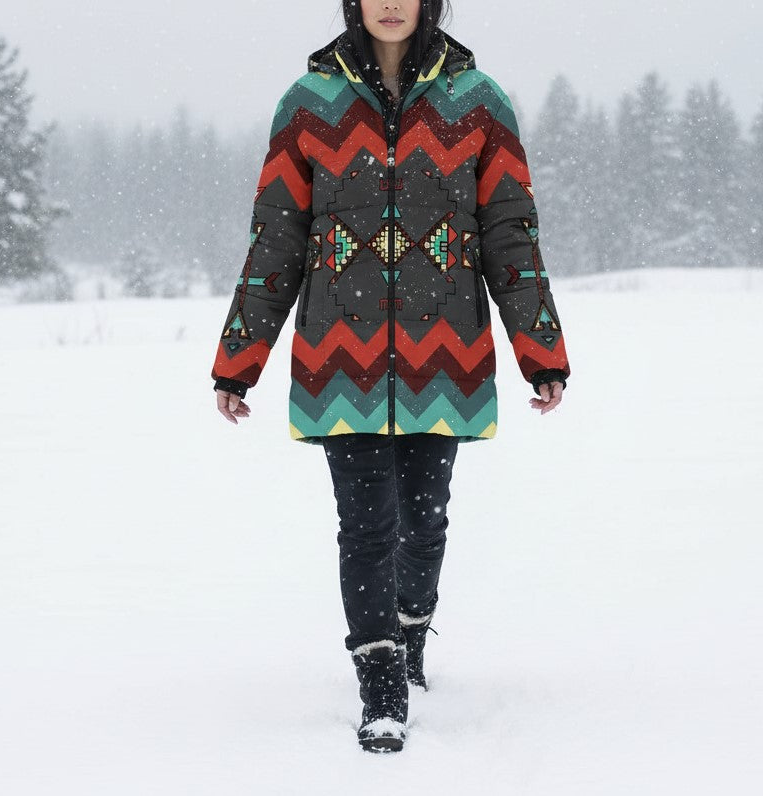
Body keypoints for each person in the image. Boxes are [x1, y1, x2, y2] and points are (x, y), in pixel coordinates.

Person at [210, 0, 570, 753]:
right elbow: (276, 239)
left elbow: (511, 233)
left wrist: (539, 351)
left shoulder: (479, 102)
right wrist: (239, 363)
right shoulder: (308, 103)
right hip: (339, 358)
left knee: (424, 522)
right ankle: (380, 683)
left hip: (447, 355)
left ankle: (409, 635)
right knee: (367, 525)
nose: (391, 3)